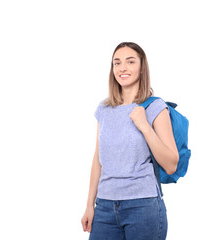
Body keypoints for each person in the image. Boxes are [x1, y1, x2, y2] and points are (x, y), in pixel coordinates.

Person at [81, 42, 179, 240]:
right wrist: (89, 205)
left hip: (143, 207)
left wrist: (144, 125)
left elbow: (171, 164)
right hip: (105, 207)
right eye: (117, 63)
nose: (122, 68)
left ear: (142, 68)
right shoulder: (104, 109)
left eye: (130, 61)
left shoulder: (155, 107)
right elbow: (98, 159)